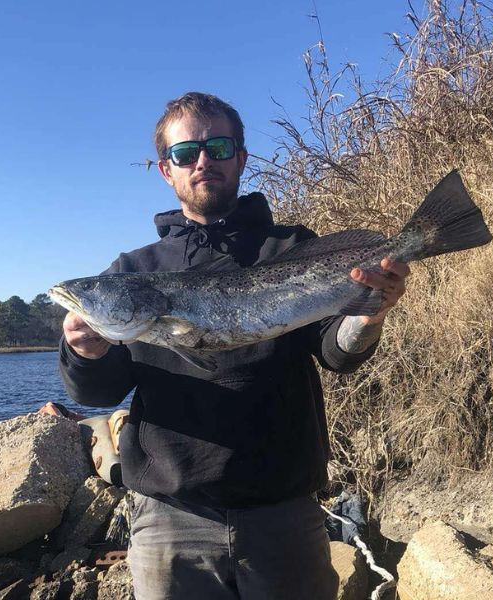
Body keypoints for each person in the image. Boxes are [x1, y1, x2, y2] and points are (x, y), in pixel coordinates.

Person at [57, 91, 409, 599]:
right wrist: (85, 351)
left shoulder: (290, 248)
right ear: (165, 170)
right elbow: (100, 392)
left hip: (285, 513)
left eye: (219, 148)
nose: (203, 161)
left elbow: (337, 354)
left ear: (241, 158)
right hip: (170, 520)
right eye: (185, 153)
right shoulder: (132, 272)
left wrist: (370, 310)